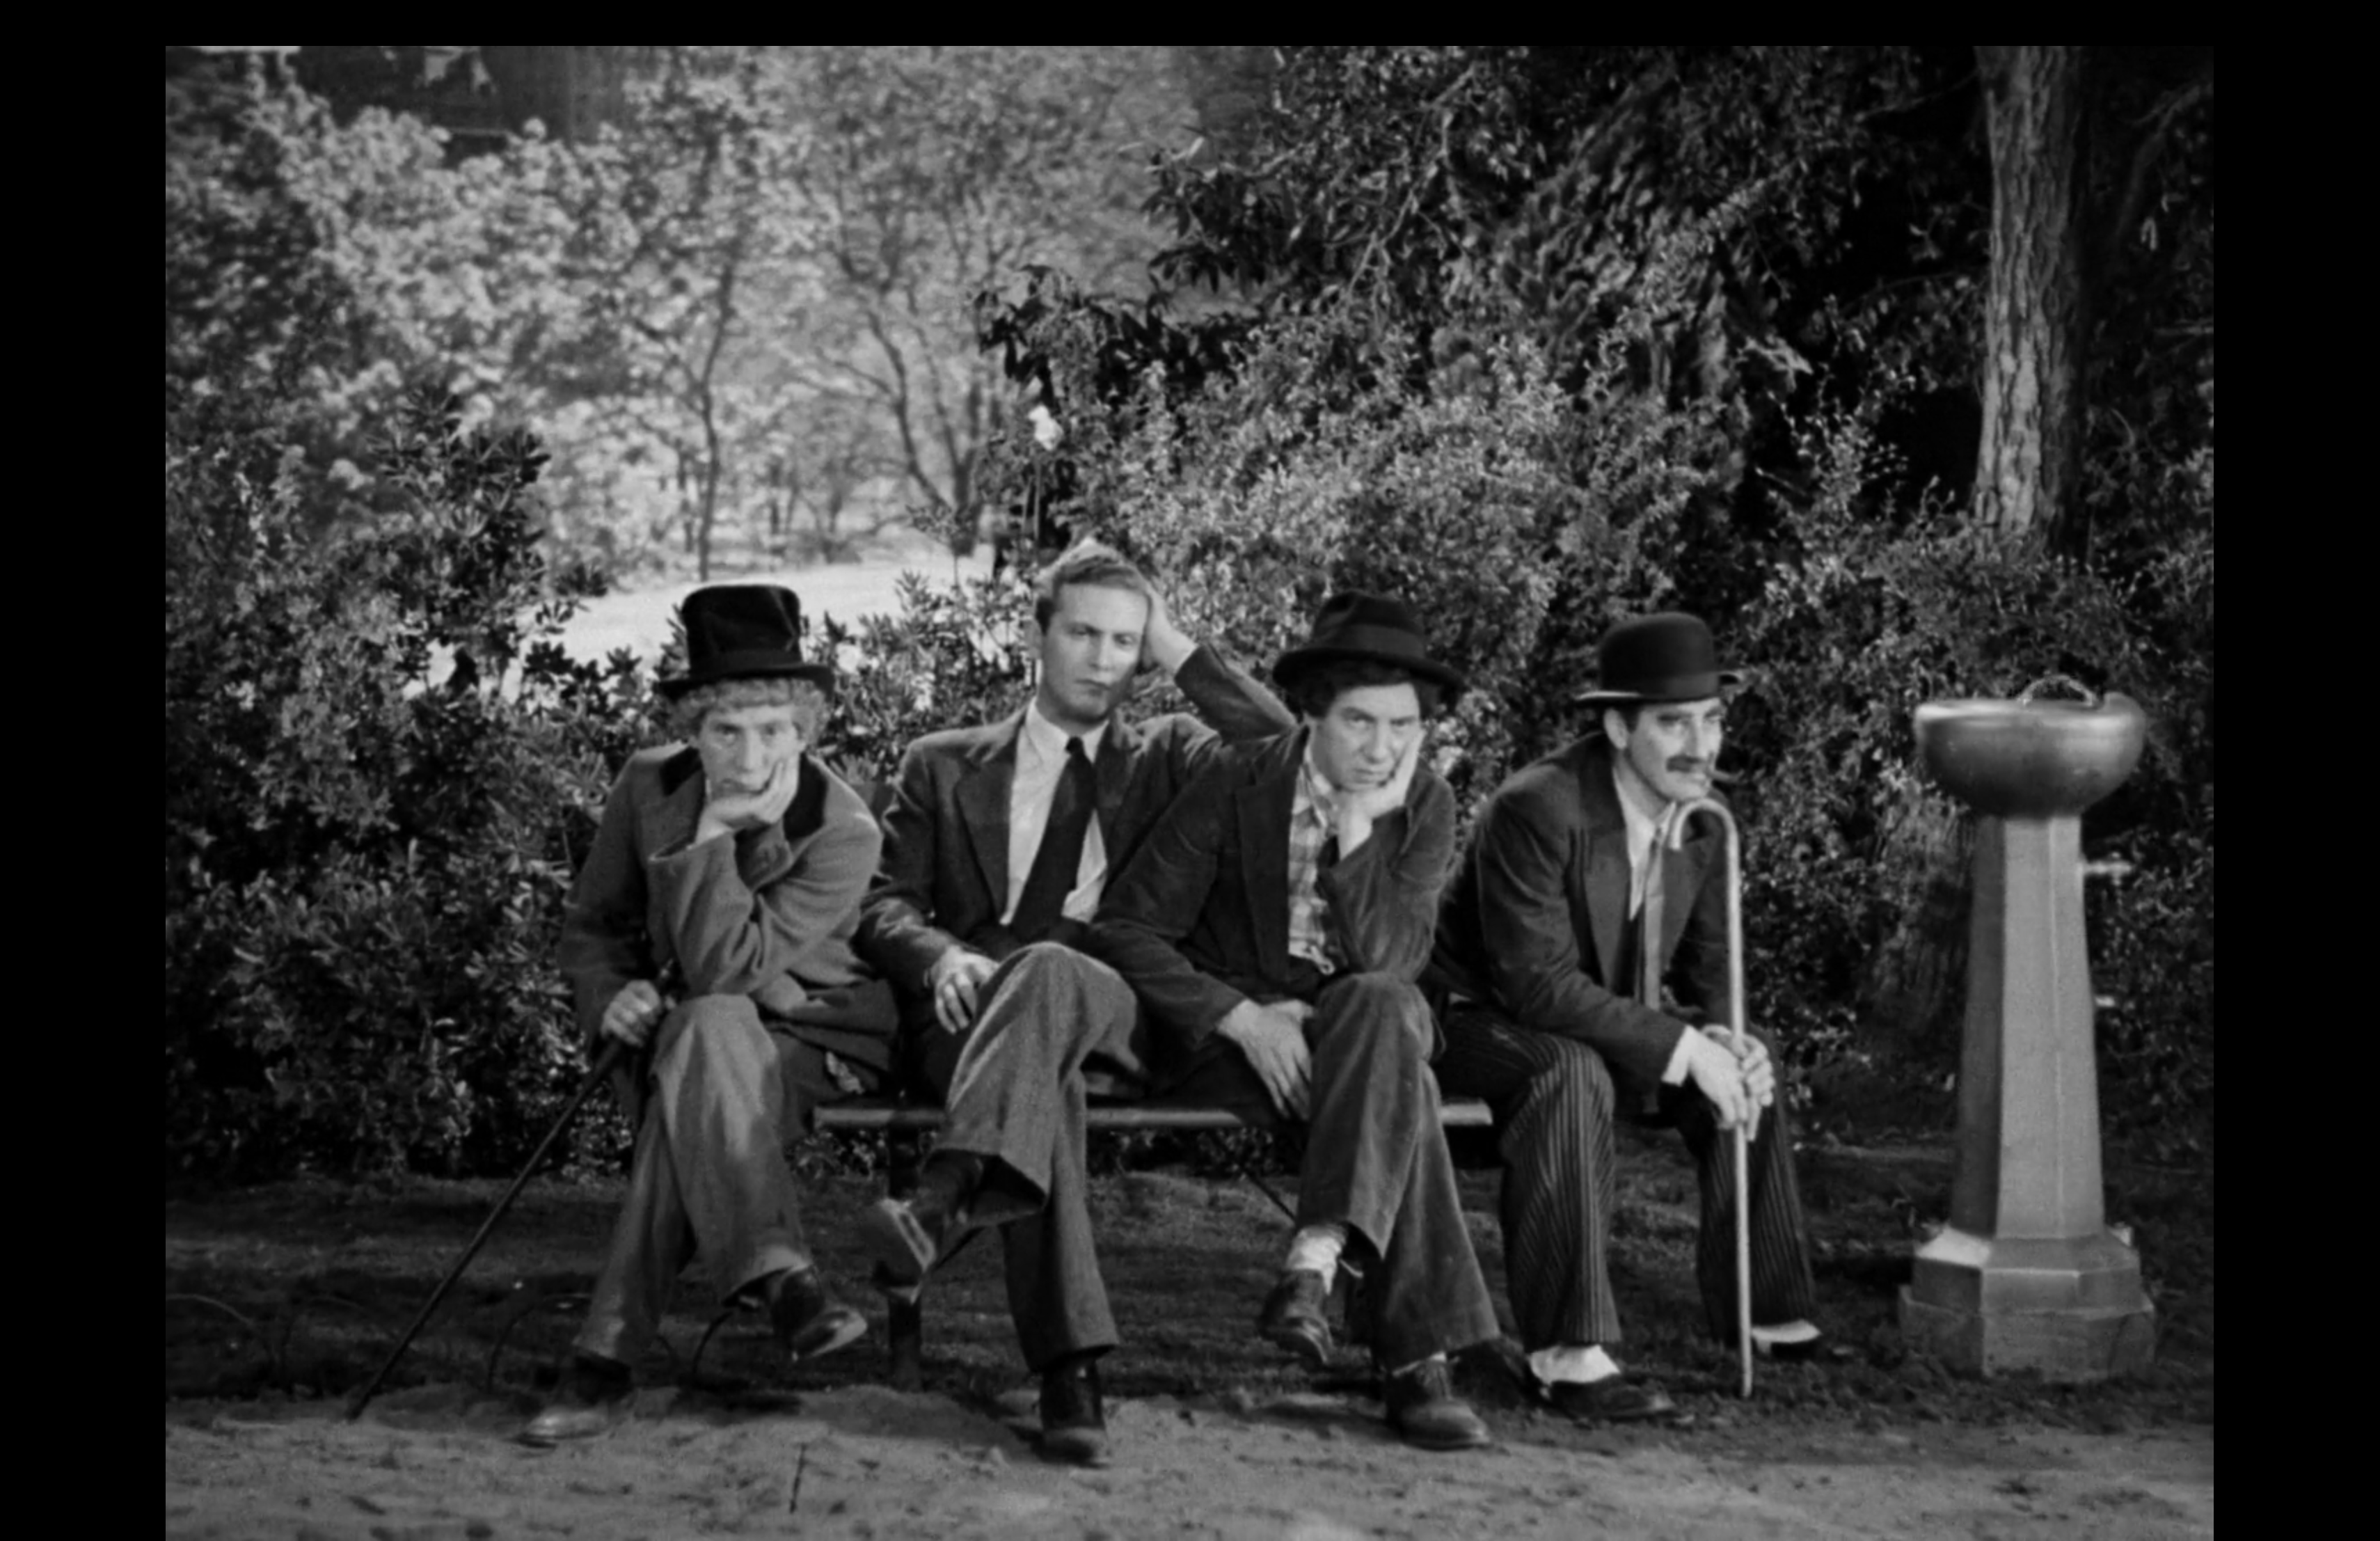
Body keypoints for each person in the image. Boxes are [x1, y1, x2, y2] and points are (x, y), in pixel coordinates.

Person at [853, 541, 1294, 1464]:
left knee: (1053, 972)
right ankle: (1069, 1372)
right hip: (975, 1019)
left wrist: (1172, 643)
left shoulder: (1171, 754)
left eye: (1125, 641)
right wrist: (941, 957)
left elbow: (1274, 746)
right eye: (1084, 634)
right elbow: (884, 907)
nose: (1104, 660)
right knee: (1038, 1071)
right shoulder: (942, 763)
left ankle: (944, 1199)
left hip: (1120, 1009)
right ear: (1036, 635)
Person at [1084, 592, 1503, 1453]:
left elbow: (1391, 961)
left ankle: (1314, 1259)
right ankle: (1417, 1363)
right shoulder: (1237, 781)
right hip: (1242, 1049)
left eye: (1402, 726)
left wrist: (1357, 829)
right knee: (1405, 1084)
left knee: (1381, 1006)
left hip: (1361, 1035)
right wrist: (1241, 1018)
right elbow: (1126, 928)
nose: (1381, 748)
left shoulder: (1424, 804)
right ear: (1312, 713)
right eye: (1359, 722)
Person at [521, 585, 897, 1444]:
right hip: (698, 1031)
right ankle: (784, 1282)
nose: (751, 755)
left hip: (813, 1036)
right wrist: (610, 993)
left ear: (805, 730)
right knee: (705, 1028)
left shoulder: (844, 829)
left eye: (774, 730)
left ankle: (602, 1366)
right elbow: (594, 925)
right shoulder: (646, 784)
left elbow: (729, 965)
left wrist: (714, 834)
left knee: (706, 1029)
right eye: (727, 731)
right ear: (694, 728)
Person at [1430, 610, 1821, 1425]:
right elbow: (1535, 985)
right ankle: (1569, 1355)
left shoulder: (1705, 817)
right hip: (1472, 1022)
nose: (1701, 746)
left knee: (1750, 1056)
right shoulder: (1537, 807)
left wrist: (1728, 1035)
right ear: (1617, 728)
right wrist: (1682, 1046)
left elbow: (1712, 966)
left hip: (1594, 1016)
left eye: (1712, 720)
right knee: (1567, 1070)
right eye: (1674, 724)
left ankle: (1766, 1314)